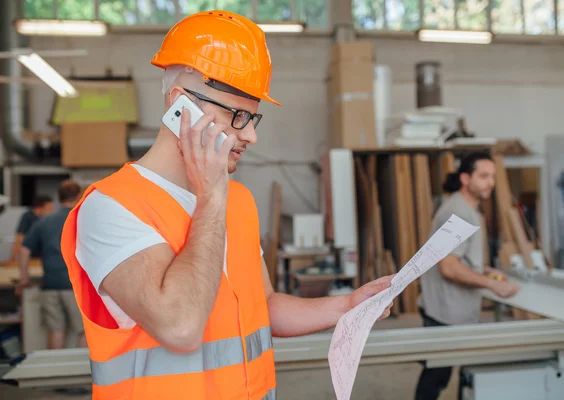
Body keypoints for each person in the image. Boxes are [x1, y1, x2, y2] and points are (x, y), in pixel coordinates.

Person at [60, 10, 393, 400]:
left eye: (253, 118)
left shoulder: (239, 200)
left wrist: (347, 306)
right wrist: (212, 195)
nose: (250, 135)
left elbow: (263, 306)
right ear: (180, 105)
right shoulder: (112, 206)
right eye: (237, 115)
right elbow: (180, 327)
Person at [414, 151, 521, 400]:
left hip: (455, 309)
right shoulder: (458, 213)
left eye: (493, 176)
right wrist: (492, 286)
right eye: (483, 176)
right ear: (465, 178)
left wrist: (485, 271)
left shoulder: (468, 210)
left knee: (453, 371)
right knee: (436, 376)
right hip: (445, 310)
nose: (490, 182)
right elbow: (449, 267)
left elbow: (460, 259)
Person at [18, 180, 86, 350]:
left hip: (50, 285)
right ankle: (81, 375)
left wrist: (24, 278)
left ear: (58, 197)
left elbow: (24, 250)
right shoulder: (82, 219)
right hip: (75, 286)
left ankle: (55, 374)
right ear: (78, 196)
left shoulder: (43, 222)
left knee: (56, 332)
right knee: (83, 331)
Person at [3, 194, 54, 265]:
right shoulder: (28, 217)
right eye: (49, 207)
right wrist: (12, 259)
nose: (51, 209)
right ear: (40, 207)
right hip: (30, 257)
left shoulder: (47, 219)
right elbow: (19, 238)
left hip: (44, 257)